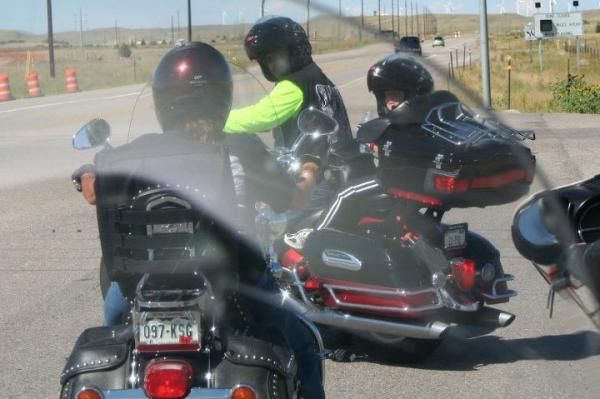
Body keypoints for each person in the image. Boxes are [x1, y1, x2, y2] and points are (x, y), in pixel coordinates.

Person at [73, 41, 325, 399]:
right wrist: (312, 164)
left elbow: (95, 187)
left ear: (163, 102)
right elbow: (296, 196)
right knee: (304, 344)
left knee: (112, 336)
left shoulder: (133, 154)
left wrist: (88, 170)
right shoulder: (244, 148)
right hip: (234, 283)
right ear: (223, 96)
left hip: (139, 288)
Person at [223, 15, 354, 227]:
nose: (272, 64)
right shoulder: (320, 79)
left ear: (295, 50)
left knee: (276, 236)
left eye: (277, 56)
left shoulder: (294, 85)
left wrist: (215, 119)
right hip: (336, 173)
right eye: (267, 59)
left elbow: (262, 116)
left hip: (311, 181)